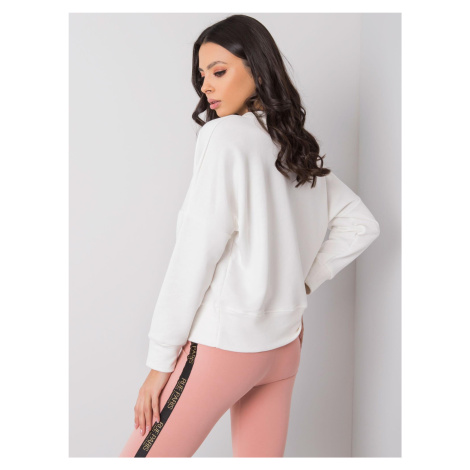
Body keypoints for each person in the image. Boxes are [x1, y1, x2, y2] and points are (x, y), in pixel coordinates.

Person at [119, 14, 380, 458]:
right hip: (284, 347)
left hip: (227, 344)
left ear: (257, 69)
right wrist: (299, 284)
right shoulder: (294, 146)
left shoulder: (225, 136)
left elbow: (195, 251)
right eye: (202, 75)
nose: (206, 86)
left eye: (219, 71)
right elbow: (361, 224)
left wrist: (159, 363)